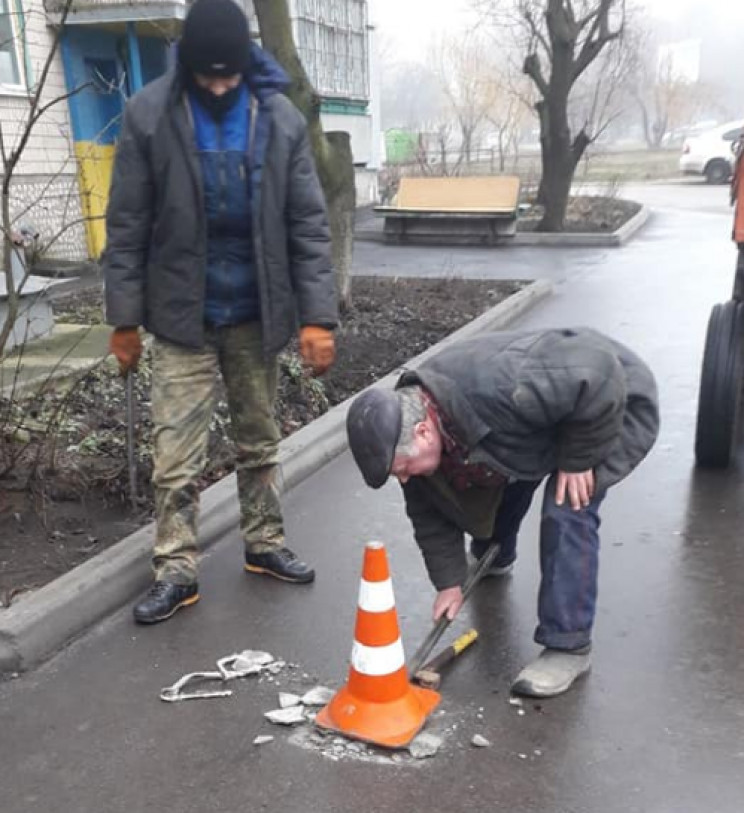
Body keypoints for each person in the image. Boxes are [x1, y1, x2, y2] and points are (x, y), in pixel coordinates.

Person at [103, 0, 338, 625]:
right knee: (175, 450)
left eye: (227, 75)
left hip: (258, 311)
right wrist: (124, 318)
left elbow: (308, 223)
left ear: (243, 64)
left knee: (259, 439)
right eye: (205, 75)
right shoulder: (150, 114)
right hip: (182, 314)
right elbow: (126, 224)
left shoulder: (280, 118)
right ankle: (175, 568)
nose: (216, 85)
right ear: (186, 65)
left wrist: (319, 316)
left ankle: (264, 543)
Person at [346, 328, 659, 697]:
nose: (402, 478)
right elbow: (429, 511)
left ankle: (568, 645)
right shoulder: (417, 419)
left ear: (423, 433)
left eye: (400, 467)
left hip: (606, 402)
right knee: (488, 471)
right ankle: (496, 554)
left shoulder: (503, 387)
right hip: (540, 423)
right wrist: (450, 581)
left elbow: (596, 367)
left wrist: (578, 460)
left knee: (568, 505)